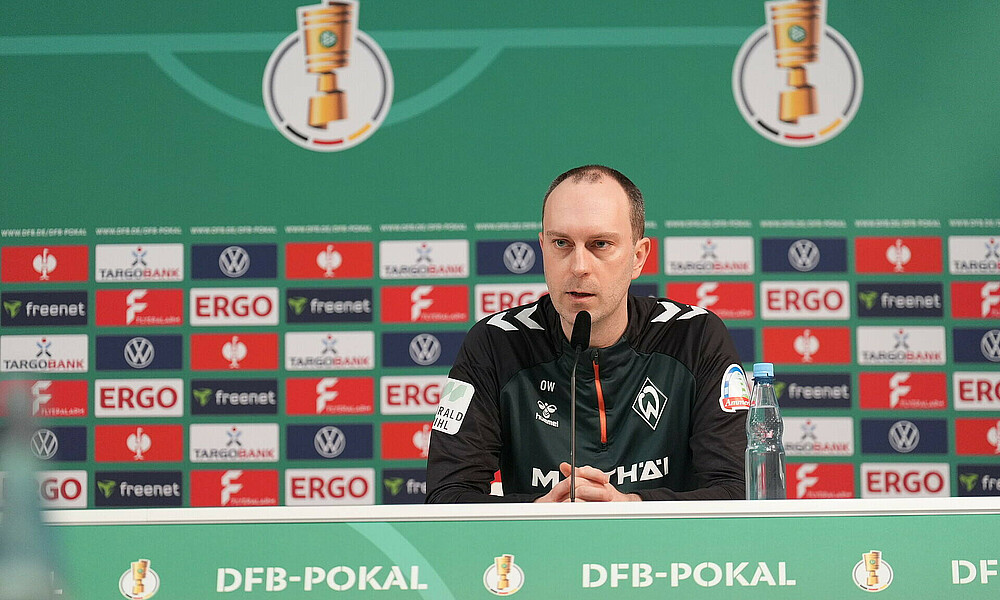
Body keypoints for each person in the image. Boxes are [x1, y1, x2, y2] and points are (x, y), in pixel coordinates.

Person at [425, 165, 749, 503]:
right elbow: (446, 496)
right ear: (543, 248)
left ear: (638, 257)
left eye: (600, 244)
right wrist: (539, 513)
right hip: (540, 554)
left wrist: (630, 506)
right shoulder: (496, 342)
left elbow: (742, 489)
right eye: (562, 243)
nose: (579, 266)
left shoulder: (693, 336)